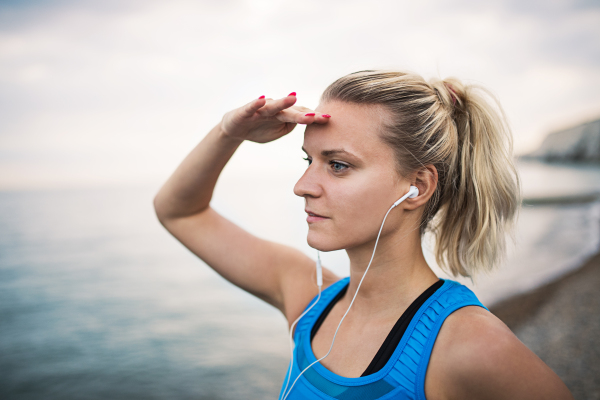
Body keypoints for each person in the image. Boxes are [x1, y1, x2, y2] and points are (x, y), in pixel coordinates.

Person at [153, 70, 573, 399]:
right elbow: (178, 212)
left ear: (418, 187)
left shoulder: (470, 346)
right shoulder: (308, 301)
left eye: (337, 165)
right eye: (309, 160)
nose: (302, 186)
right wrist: (231, 133)